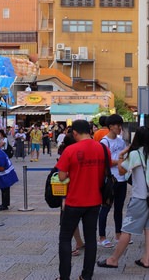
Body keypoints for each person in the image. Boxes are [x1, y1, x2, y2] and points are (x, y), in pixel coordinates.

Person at [97, 126, 149, 269]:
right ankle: (146, 259)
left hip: (139, 198)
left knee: (127, 230)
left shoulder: (136, 154)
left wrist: (121, 155)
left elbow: (121, 170)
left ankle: (113, 259)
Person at [55, 120, 106, 280]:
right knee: (91, 239)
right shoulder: (102, 148)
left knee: (65, 238)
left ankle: (64, 277)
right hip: (94, 201)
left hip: (74, 201)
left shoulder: (70, 149)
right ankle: (86, 275)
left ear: (75, 133)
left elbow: (62, 176)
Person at [98, 114, 127, 248]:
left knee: (119, 208)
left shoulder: (121, 141)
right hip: (110, 180)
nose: (119, 128)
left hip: (122, 178)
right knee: (106, 207)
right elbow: (105, 162)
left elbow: (124, 157)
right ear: (110, 127)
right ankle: (102, 236)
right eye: (117, 125)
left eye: (120, 125)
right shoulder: (104, 142)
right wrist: (119, 161)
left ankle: (118, 234)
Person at [0, 136, 19, 211]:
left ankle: (4, 205)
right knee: (4, 188)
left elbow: (2, 166)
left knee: (5, 188)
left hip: (5, 172)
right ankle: (5, 204)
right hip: (5, 171)